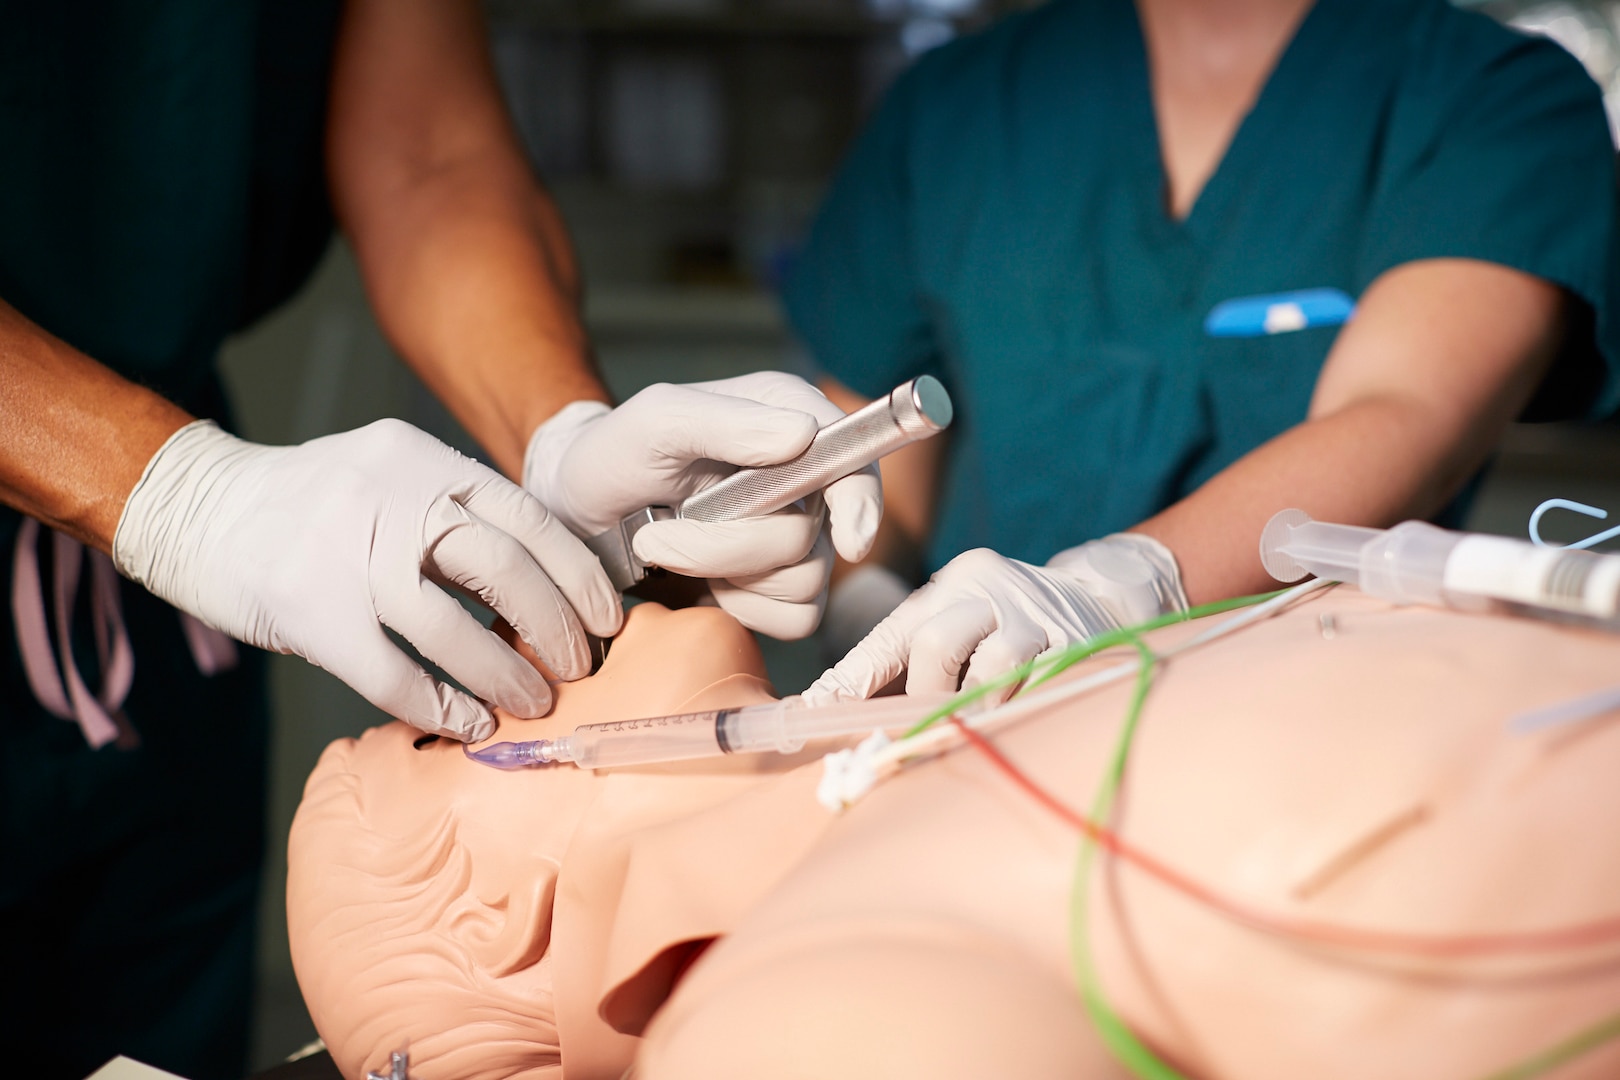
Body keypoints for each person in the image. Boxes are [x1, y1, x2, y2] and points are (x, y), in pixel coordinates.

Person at [0, 3, 878, 1076]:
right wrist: (167, 490)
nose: (504, 668)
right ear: (505, 924)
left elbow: (429, 155)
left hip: (157, 671)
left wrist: (558, 428)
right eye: (426, 736)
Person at [286, 595, 1620, 1080]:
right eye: (426, 730)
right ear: (493, 922)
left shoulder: (912, 786)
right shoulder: (798, 1026)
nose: (512, 642)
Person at [788, 0, 1620, 705]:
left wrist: (1108, 592)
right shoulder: (953, 110)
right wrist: (859, 592)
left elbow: (1408, 409)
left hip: (1315, 733)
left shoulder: (1491, 98)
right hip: (961, 729)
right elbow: (879, 486)